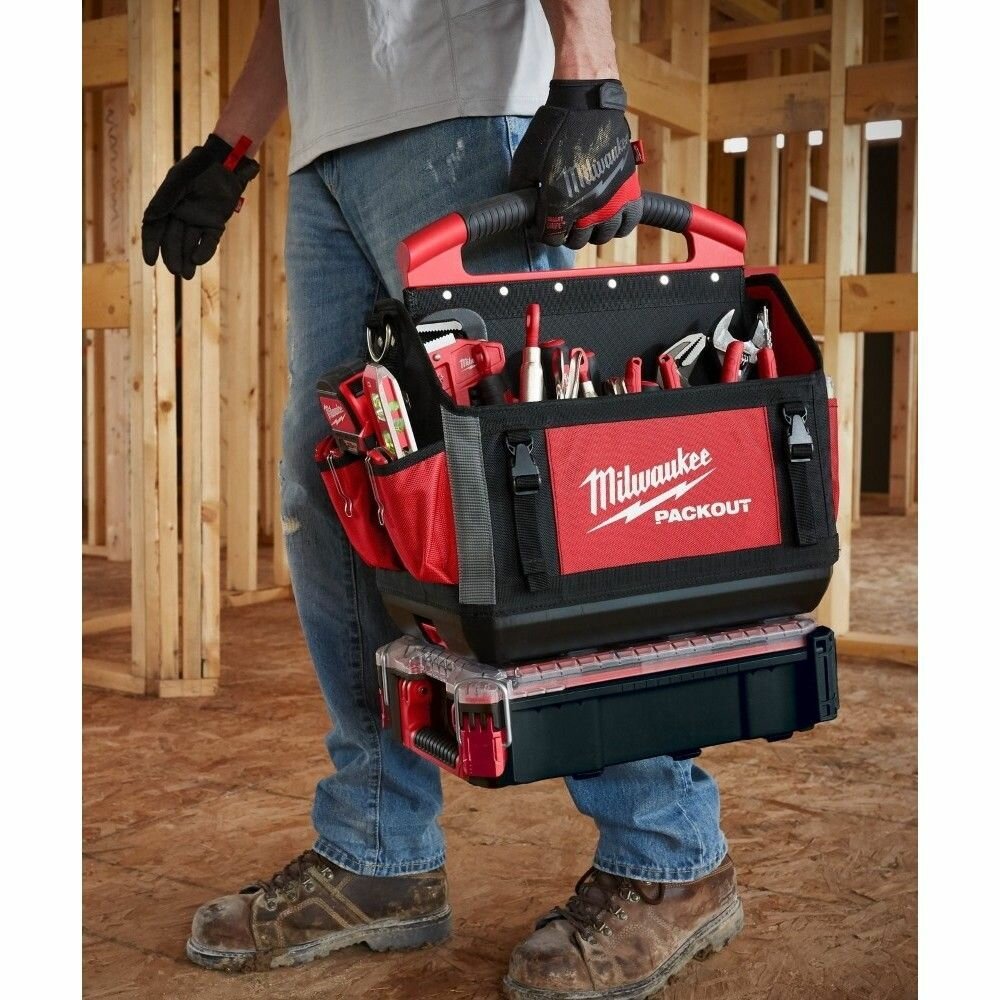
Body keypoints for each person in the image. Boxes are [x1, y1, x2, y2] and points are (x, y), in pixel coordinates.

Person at [141, 2, 741, 997]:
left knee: (534, 488)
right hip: (327, 152)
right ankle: (379, 848)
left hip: (463, 106)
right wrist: (231, 145)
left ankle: (668, 853)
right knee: (336, 486)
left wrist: (589, 71)